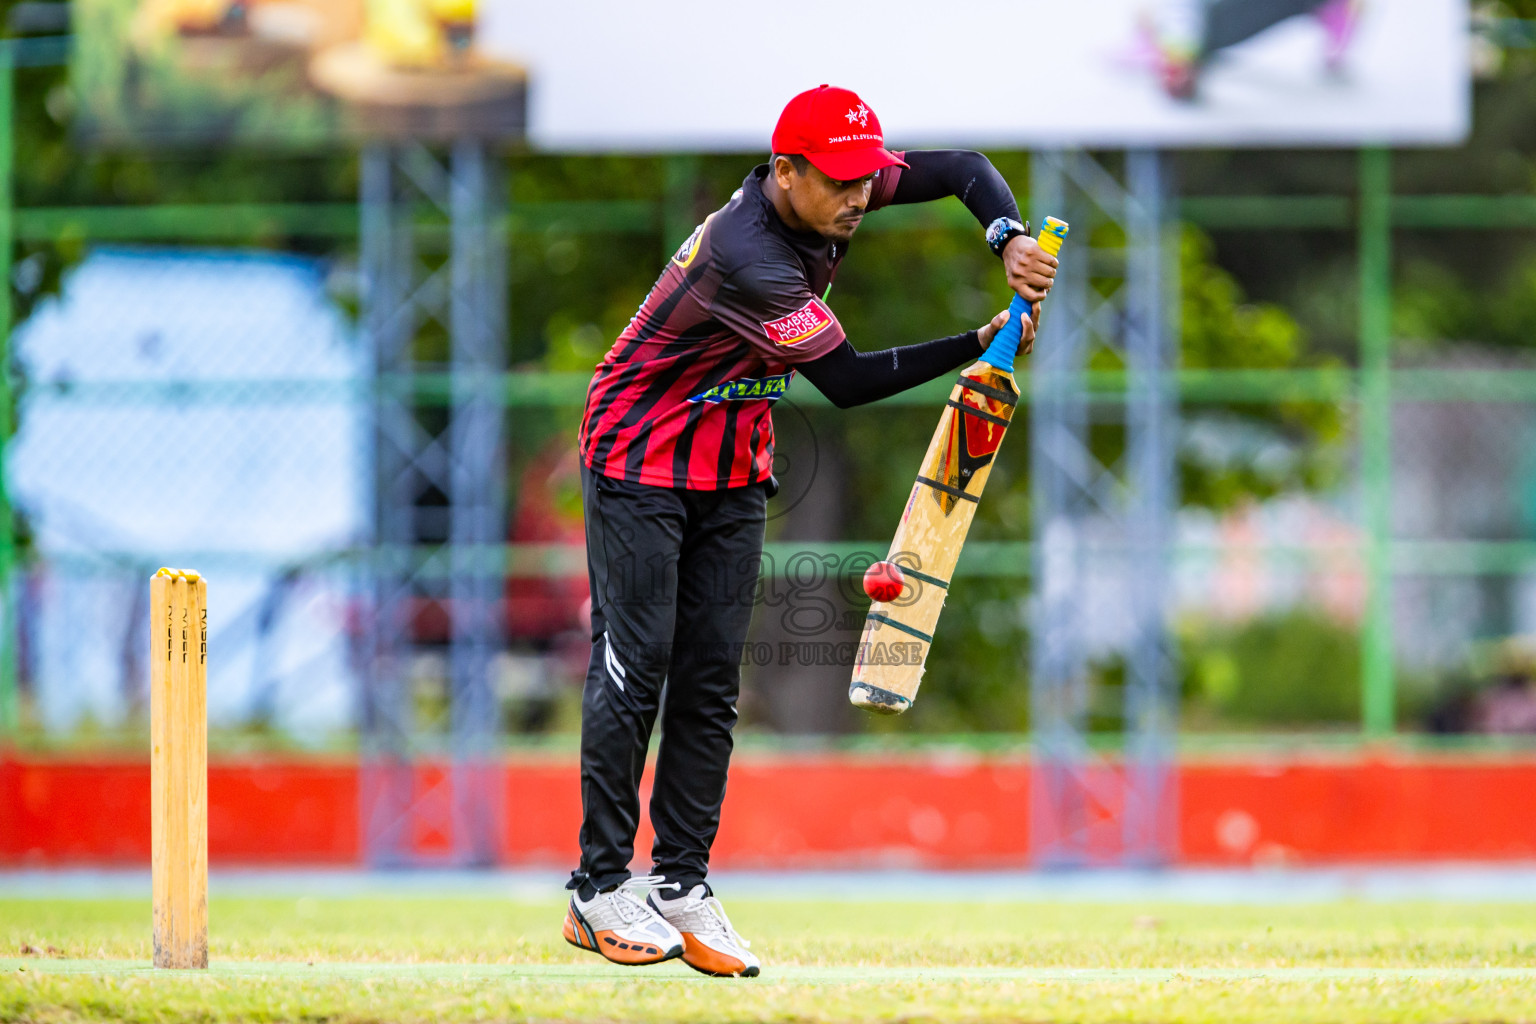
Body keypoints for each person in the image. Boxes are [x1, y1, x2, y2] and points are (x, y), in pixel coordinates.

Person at [563, 84, 1057, 978]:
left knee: (711, 683)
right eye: (839, 183)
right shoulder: (748, 254)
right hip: (639, 454)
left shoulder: (839, 186)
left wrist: (1009, 237)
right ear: (785, 171)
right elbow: (850, 382)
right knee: (637, 667)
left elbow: (963, 170)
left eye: (867, 179)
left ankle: (680, 883)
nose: (859, 198)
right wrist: (980, 340)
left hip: (732, 465)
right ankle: (598, 891)